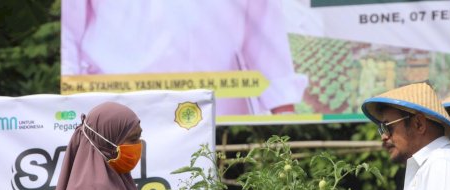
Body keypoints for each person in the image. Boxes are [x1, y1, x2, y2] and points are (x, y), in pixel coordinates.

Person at [61, 0, 307, 116]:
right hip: (118, 101)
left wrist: (283, 108)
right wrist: (69, 105)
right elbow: (70, 27)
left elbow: (263, 26)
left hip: (219, 107)